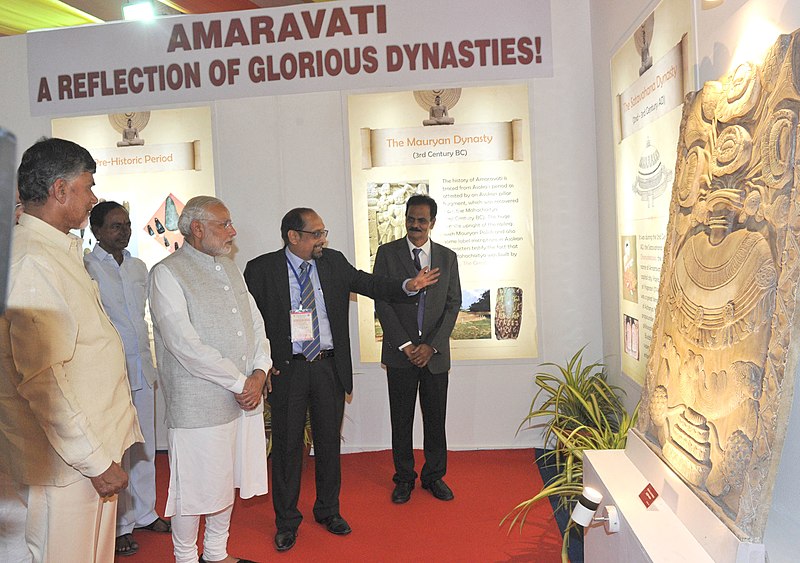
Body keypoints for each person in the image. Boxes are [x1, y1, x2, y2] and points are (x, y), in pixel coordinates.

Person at [243, 207, 439, 552]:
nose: (323, 239)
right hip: (288, 370)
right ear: (293, 236)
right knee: (288, 449)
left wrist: (409, 284)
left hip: (328, 367)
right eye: (316, 233)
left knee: (329, 445)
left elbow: (370, 283)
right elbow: (248, 324)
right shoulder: (261, 270)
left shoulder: (332, 262)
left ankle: (327, 511)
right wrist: (260, 364)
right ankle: (287, 521)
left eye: (323, 232)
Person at [0, 137, 143, 562]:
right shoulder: (33, 260)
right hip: (67, 462)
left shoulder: (56, 250)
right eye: (88, 185)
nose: (94, 197)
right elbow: (44, 381)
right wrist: (95, 460)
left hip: (81, 454)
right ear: (60, 190)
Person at [148, 195, 269, 563]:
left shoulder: (230, 267)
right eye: (223, 224)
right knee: (194, 488)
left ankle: (216, 554)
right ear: (196, 229)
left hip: (242, 398)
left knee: (224, 480)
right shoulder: (166, 273)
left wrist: (260, 371)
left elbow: (256, 323)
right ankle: (185, 557)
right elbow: (184, 344)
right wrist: (240, 383)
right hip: (199, 403)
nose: (232, 232)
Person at [84, 201, 171, 556]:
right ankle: (119, 526)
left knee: (145, 446)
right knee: (118, 450)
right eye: (116, 225)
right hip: (109, 374)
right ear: (97, 231)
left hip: (142, 368)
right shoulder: (86, 267)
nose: (125, 230)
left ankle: (146, 512)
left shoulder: (138, 267)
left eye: (127, 224)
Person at [373, 194, 461, 504]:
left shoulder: (447, 258)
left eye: (421, 220)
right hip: (400, 354)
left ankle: (434, 476)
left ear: (432, 223)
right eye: (411, 218)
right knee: (402, 419)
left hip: (435, 357)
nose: (415, 225)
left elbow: (453, 304)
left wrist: (431, 347)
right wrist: (408, 344)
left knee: (435, 420)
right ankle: (404, 478)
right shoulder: (387, 253)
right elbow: (381, 300)